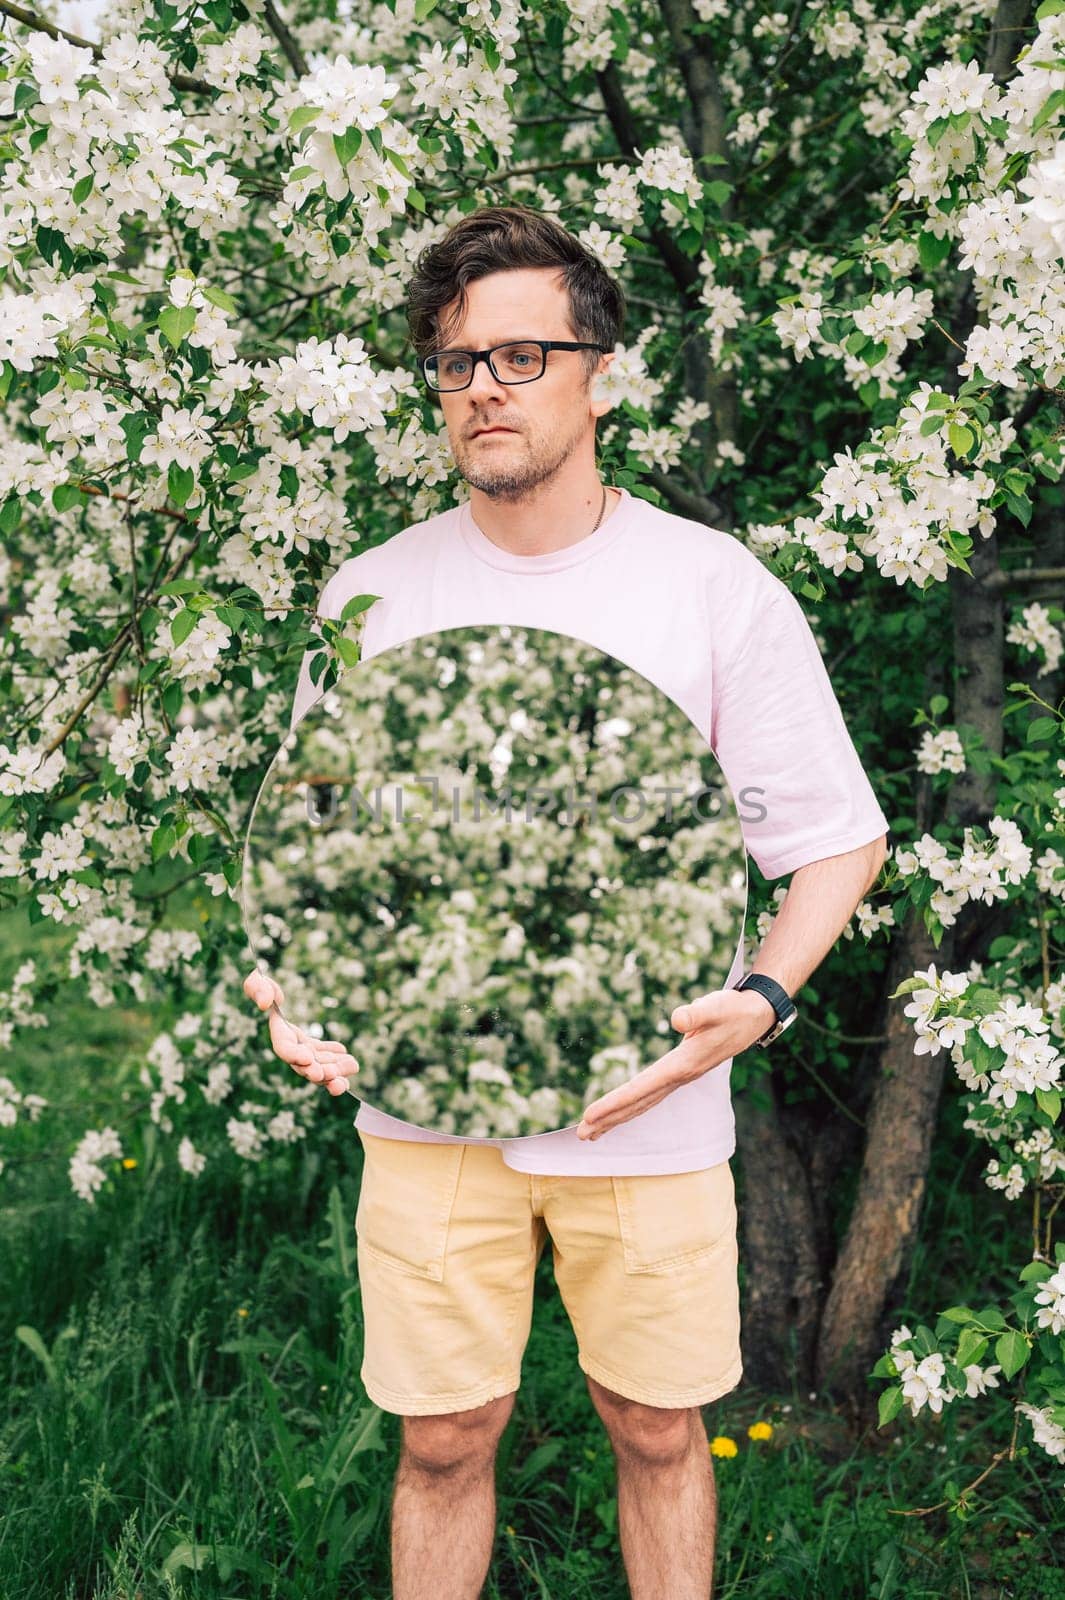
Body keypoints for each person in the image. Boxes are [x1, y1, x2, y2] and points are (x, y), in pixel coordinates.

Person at [244, 203, 890, 1600]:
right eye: (458, 360)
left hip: (644, 1098)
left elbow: (837, 842)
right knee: (441, 1437)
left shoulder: (710, 593)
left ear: (601, 371)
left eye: (524, 353)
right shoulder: (370, 596)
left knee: (658, 1431)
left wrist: (760, 1002)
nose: (485, 383)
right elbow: (312, 858)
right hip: (427, 1101)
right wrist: (284, 984)